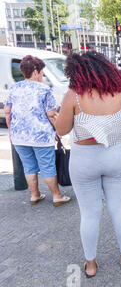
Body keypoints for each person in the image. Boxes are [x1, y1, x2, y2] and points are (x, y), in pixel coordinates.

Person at [55, 51, 121, 278]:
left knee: (89, 214)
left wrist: (56, 117)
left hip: (84, 160)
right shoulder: (120, 92)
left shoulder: (74, 96)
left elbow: (61, 130)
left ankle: (91, 264)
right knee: (120, 209)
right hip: (116, 156)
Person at [3, 55, 71, 207]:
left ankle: (35, 195)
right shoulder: (44, 89)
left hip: (19, 136)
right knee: (47, 166)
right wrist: (59, 130)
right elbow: (51, 114)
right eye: (41, 72)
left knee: (29, 166)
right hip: (41, 135)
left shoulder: (15, 87)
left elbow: (7, 111)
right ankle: (56, 196)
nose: (41, 75)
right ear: (35, 71)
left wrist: (11, 131)